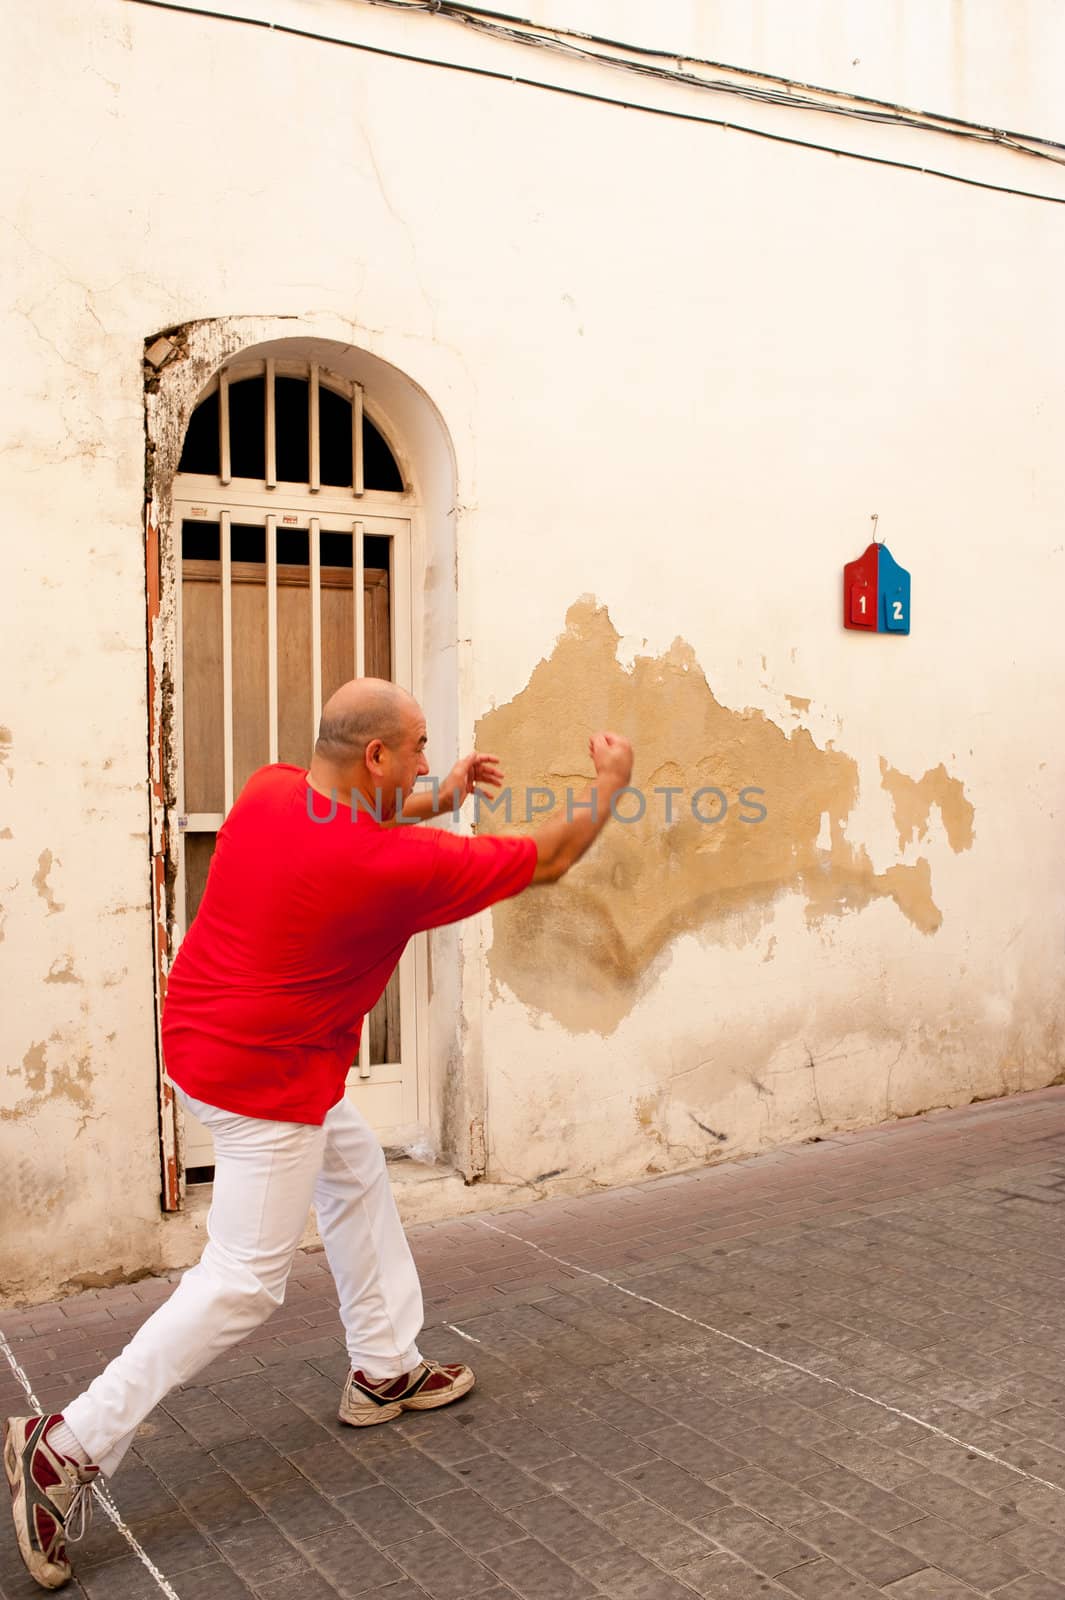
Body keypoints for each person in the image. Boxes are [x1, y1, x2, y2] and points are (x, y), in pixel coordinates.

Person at [3, 677, 634, 1591]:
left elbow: (369, 813)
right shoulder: (388, 871)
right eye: (416, 748)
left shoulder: (270, 791)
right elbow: (554, 855)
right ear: (375, 755)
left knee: (352, 1172)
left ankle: (384, 1367)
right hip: (265, 1076)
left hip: (206, 1035)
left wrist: (444, 796)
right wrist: (609, 782)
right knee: (242, 1285)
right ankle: (65, 1448)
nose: (426, 759)